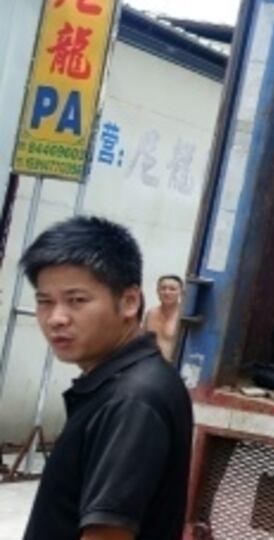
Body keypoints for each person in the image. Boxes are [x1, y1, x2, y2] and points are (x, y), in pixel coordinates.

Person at [20, 216, 192, 540]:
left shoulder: (132, 400)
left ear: (129, 301)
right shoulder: (119, 383)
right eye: (45, 302)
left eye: (77, 301)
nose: (56, 318)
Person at [143, 274, 183, 361]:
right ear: (157, 291)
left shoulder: (183, 316)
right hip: (150, 365)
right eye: (163, 288)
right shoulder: (150, 313)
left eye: (172, 289)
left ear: (181, 292)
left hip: (173, 368)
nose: (167, 292)